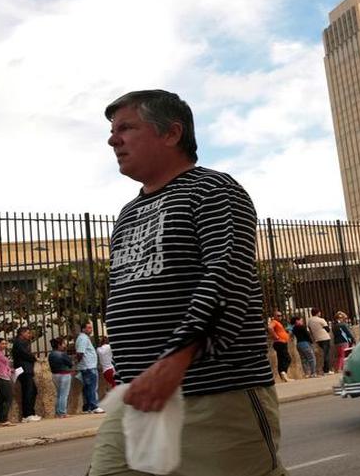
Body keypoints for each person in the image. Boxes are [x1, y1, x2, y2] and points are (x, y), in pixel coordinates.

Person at [89, 90, 286, 476]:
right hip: (139, 398)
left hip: (216, 396)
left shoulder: (213, 191)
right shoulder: (128, 213)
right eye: (112, 131)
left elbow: (227, 278)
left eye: (126, 127)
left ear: (171, 133)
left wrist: (174, 360)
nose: (113, 139)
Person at [11, 326, 41, 423]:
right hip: (24, 370)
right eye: (28, 333)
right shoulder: (19, 343)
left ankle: (30, 413)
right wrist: (34, 358)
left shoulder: (23, 343)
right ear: (22, 333)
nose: (29, 335)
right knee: (28, 391)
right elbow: (25, 354)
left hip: (27, 369)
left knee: (32, 391)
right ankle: (27, 414)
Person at [75, 322, 103, 414]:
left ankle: (87, 407)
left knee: (87, 387)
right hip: (88, 366)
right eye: (89, 328)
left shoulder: (83, 338)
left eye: (91, 328)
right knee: (92, 387)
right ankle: (94, 406)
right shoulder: (83, 338)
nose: (90, 330)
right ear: (83, 329)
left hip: (87, 366)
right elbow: (80, 353)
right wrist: (80, 362)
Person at [48, 337, 74, 419]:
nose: (64, 345)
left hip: (55, 375)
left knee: (59, 394)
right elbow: (70, 363)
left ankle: (57, 412)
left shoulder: (51, 354)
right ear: (59, 345)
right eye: (63, 344)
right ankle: (62, 412)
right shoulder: (62, 354)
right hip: (64, 374)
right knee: (64, 394)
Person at [267, 311, 291, 382]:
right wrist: (276, 336)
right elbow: (269, 327)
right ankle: (283, 373)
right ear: (274, 316)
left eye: (280, 315)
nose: (280, 317)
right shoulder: (274, 321)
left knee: (281, 359)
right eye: (278, 315)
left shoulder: (279, 323)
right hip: (280, 342)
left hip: (282, 342)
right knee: (287, 358)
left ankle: (284, 376)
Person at [307, 308, 333, 375]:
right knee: (326, 354)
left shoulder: (309, 321)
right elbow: (327, 329)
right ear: (318, 313)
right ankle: (326, 370)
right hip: (325, 337)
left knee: (324, 354)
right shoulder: (321, 320)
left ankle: (325, 369)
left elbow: (310, 330)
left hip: (317, 339)